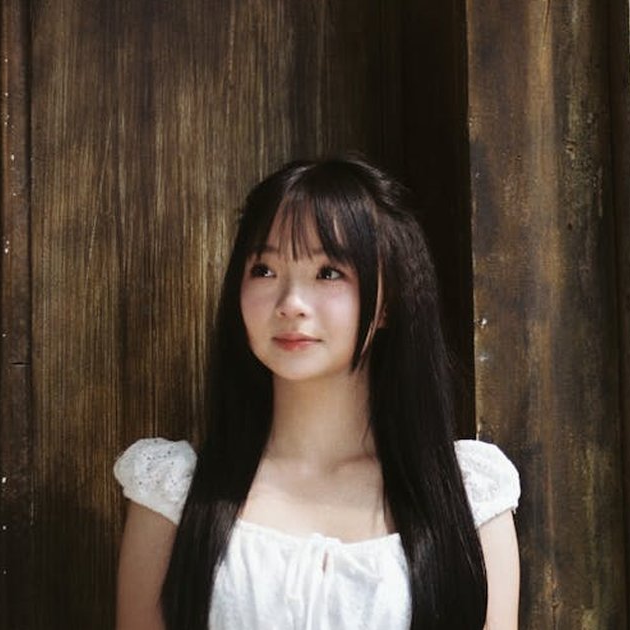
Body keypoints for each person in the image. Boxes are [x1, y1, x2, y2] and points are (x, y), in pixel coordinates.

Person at [114, 156, 521, 630]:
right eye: (264, 270)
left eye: (328, 273)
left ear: (389, 301)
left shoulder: (468, 498)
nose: (291, 304)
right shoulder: (175, 496)